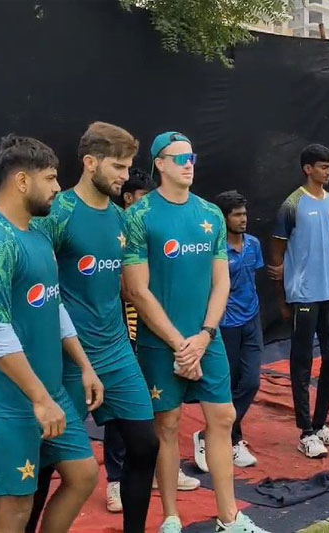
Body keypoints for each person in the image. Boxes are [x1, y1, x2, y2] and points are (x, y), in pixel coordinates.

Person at [123, 131, 269, 532]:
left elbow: (221, 282)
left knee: (222, 418)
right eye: (180, 157)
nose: (189, 163)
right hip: (159, 345)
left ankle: (230, 516)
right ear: (160, 164)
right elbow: (136, 289)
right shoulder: (139, 216)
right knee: (166, 426)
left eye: (192, 156)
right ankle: (171, 517)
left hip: (207, 339)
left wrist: (204, 335)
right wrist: (177, 344)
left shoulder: (209, 215)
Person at [0, 134, 103, 533]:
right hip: (5, 402)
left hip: (49, 393)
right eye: (52, 178)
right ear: (22, 181)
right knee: (15, 509)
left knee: (84, 475)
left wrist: (85, 366)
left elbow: (53, 305)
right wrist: (40, 399)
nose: (59, 187)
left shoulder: (38, 234)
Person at [28, 122, 158, 533]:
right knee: (48, 462)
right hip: (68, 358)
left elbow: (125, 287)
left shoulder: (122, 219)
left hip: (118, 352)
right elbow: (35, 288)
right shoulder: (58, 214)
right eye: (118, 167)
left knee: (146, 445)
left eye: (127, 167)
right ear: (89, 163)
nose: (125, 176)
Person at [104, 169, 200, 511]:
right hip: (125, 333)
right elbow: (123, 285)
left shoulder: (155, 227)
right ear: (129, 198)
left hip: (157, 332)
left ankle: (163, 470)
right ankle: (115, 481)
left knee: (159, 408)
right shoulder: (116, 229)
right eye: (145, 198)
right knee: (122, 409)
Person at [268, 143, 329, 459]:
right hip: (303, 294)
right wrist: (282, 298)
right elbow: (276, 253)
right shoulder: (292, 204)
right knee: (302, 363)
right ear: (308, 169)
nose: (328, 171)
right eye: (323, 166)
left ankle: (320, 425)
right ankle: (305, 432)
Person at [185, 190, 266, 470]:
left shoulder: (254, 245)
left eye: (245, 213)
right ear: (223, 218)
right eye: (237, 214)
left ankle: (211, 435)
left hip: (251, 320)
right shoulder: (213, 250)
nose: (243, 219)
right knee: (228, 386)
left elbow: (252, 279)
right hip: (225, 324)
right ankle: (231, 440)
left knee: (252, 381)